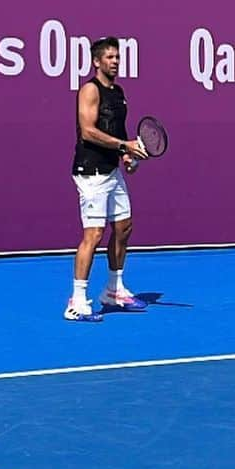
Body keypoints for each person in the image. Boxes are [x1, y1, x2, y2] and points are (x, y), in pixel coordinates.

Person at [65, 35, 149, 321]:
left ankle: (114, 290)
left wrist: (126, 156)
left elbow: (118, 131)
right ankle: (77, 301)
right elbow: (88, 131)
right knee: (94, 234)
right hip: (90, 173)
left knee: (124, 227)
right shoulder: (90, 90)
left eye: (117, 57)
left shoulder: (118, 92)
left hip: (112, 171)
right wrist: (124, 145)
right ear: (96, 61)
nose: (115, 62)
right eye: (109, 57)